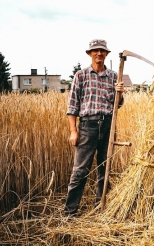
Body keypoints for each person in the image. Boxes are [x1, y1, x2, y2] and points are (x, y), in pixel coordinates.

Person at [64, 39, 124, 215]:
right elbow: (72, 106)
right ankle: (70, 212)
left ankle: (100, 209)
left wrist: (119, 93)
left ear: (106, 54)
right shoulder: (81, 76)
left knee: (105, 170)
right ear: (90, 53)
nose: (99, 53)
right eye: (95, 50)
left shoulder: (114, 77)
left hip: (108, 125)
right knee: (80, 171)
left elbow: (117, 105)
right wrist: (73, 131)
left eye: (102, 51)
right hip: (88, 127)